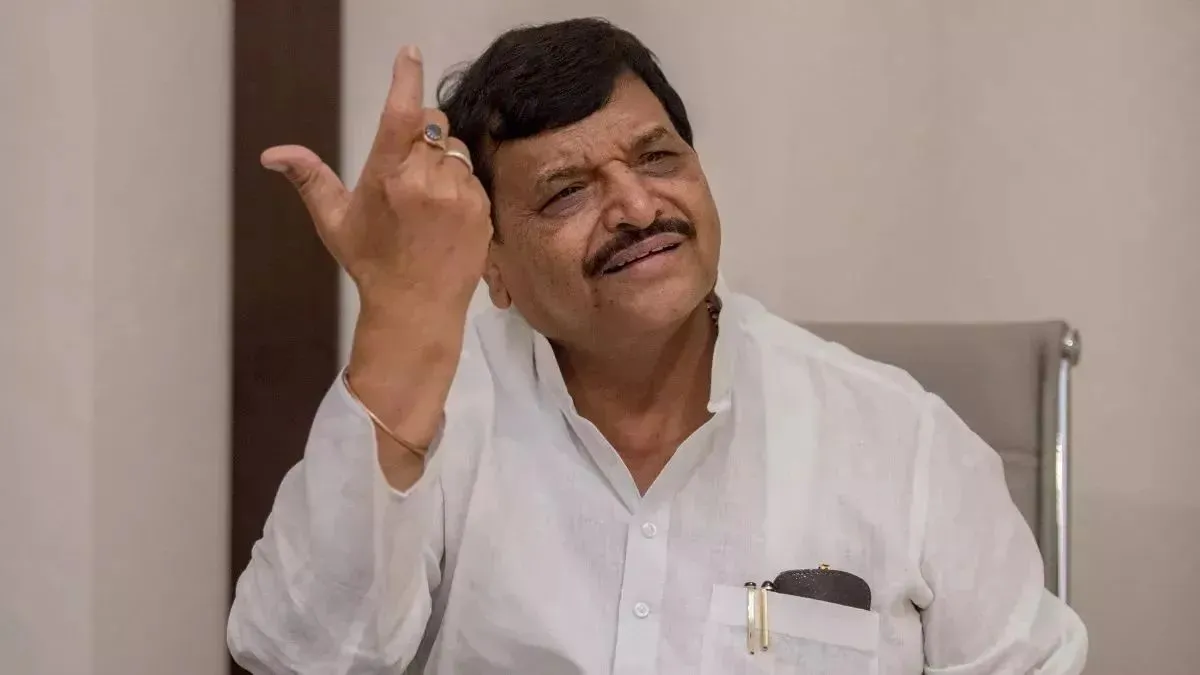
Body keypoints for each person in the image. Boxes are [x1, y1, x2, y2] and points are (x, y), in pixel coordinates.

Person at [227, 17, 1087, 675]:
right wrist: (400, 320)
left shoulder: (899, 439)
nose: (637, 208)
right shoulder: (437, 413)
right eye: (566, 192)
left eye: (658, 158)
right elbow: (299, 657)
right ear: (495, 266)